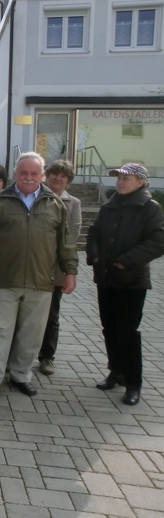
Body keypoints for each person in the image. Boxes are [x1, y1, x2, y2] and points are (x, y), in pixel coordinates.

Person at [0, 152, 78, 401]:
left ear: (41, 175)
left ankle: (21, 375)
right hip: (5, 278)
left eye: (33, 173)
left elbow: (66, 244)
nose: (28, 177)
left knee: (32, 333)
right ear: (15, 174)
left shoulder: (55, 204)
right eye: (23, 173)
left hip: (41, 281)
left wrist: (70, 272)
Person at [86, 163, 164, 406]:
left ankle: (133, 383)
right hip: (106, 278)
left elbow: (158, 240)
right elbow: (94, 233)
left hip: (132, 281)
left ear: (141, 182)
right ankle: (115, 371)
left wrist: (126, 261)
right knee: (109, 328)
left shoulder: (149, 208)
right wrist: (95, 256)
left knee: (128, 332)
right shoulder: (110, 206)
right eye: (119, 177)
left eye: (126, 178)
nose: (120, 182)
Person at [37, 160, 82, 376]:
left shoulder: (73, 203)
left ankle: (47, 356)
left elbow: (71, 238)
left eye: (63, 176)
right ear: (47, 175)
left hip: (55, 269)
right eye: (54, 174)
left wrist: (69, 271)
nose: (58, 178)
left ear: (68, 180)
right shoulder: (36, 196)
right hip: (33, 265)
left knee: (51, 315)